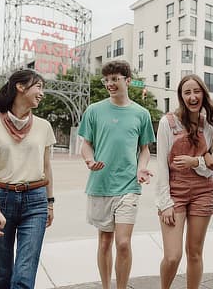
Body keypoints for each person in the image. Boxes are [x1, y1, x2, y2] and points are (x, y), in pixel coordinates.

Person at [0, 69, 56, 289]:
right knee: (2, 276)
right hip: (2, 199)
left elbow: (47, 167)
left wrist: (50, 202)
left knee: (23, 277)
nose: (42, 93)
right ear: (20, 86)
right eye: (38, 86)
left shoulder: (44, 126)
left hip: (36, 202)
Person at [78, 60, 156, 289]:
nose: (110, 84)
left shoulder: (141, 114)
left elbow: (144, 149)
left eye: (115, 79)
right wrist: (89, 160)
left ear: (127, 81)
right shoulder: (94, 110)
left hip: (129, 185)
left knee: (123, 243)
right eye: (107, 80)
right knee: (104, 242)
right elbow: (86, 144)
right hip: (101, 183)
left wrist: (141, 167)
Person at [156, 74, 213, 289]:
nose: (192, 96)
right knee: (172, 256)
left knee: (195, 253)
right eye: (187, 92)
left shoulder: (210, 125)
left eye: (196, 91)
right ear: (181, 97)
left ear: (203, 95)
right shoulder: (168, 123)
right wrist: (165, 203)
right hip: (174, 193)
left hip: (202, 192)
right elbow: (161, 166)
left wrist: (195, 161)